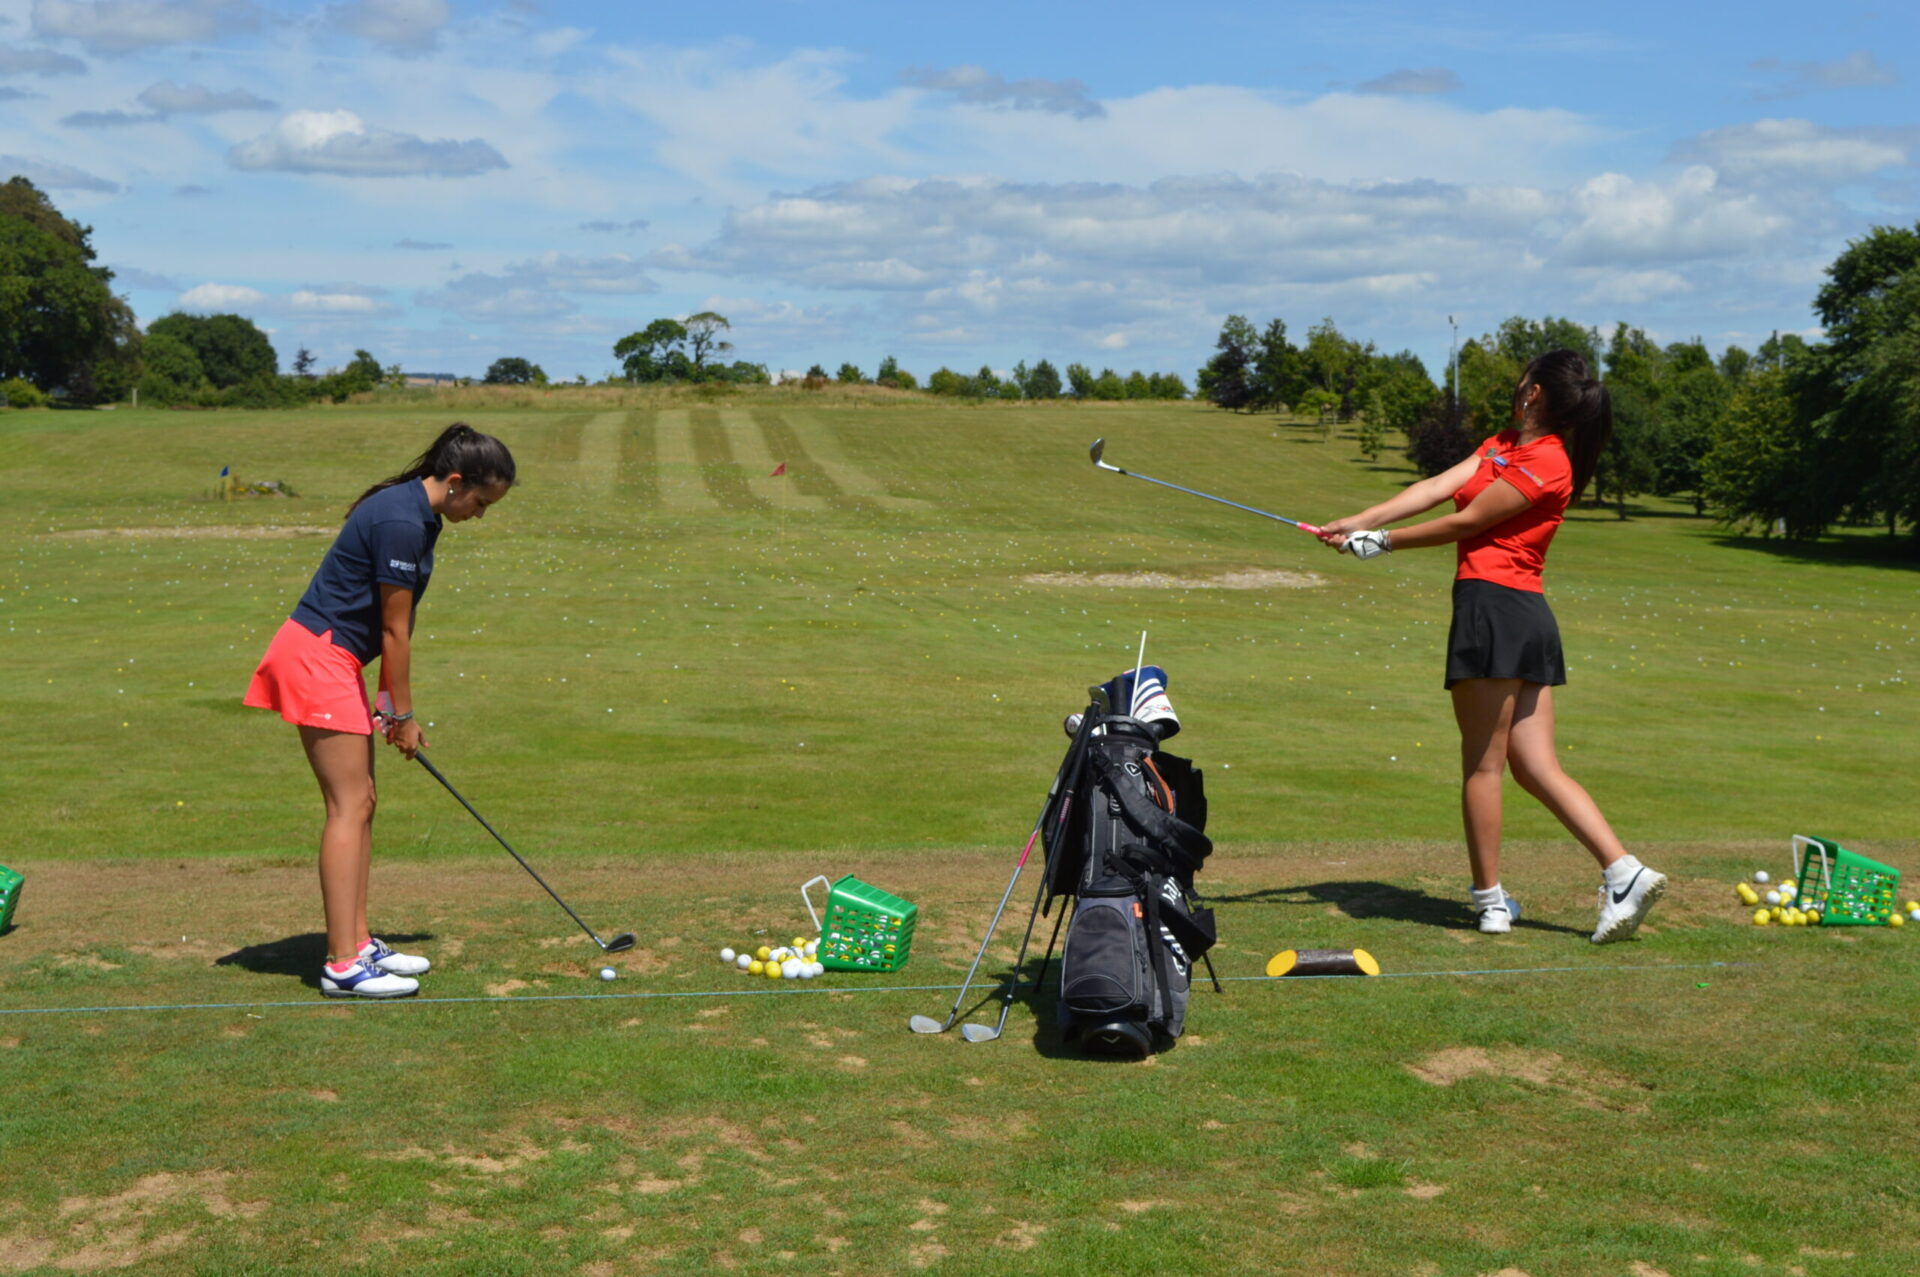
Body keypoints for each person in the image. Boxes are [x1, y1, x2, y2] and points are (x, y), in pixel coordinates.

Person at [1317, 350, 1665, 944]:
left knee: (1483, 765)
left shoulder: (1550, 461)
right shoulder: (1502, 444)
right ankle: (1623, 871)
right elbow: (1434, 488)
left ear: (1534, 393)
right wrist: (1356, 521)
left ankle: (1490, 902)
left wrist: (1383, 544)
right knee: (1533, 766)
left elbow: (1468, 521)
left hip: (1496, 610)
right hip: (1517, 613)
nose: (1515, 386)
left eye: (1520, 380)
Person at [244, 424, 516, 995]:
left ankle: (359, 941)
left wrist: (390, 707)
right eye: (482, 503)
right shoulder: (399, 521)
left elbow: (401, 620)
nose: (481, 515)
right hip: (319, 658)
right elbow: (395, 631)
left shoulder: (419, 516)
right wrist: (403, 715)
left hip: (335, 660)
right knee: (349, 805)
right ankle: (342, 965)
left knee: (363, 801)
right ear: (456, 481)